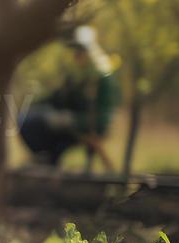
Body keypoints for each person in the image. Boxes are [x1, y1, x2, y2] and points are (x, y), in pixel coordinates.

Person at [17, 25, 122, 167]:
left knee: (33, 125)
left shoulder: (102, 78)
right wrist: (35, 103)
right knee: (28, 120)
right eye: (76, 51)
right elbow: (58, 98)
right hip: (68, 125)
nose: (76, 55)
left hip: (84, 127)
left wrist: (72, 120)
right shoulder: (77, 75)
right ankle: (46, 162)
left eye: (80, 51)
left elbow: (103, 119)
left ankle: (48, 163)